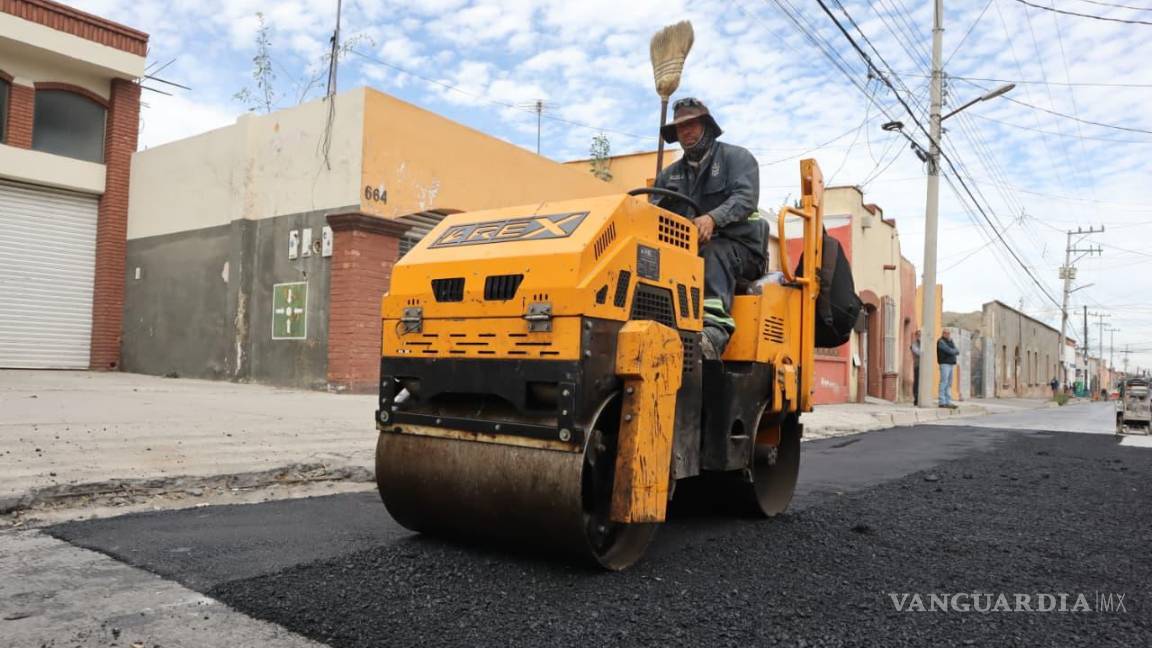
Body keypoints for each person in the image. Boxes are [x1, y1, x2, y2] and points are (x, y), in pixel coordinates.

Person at [651, 97, 761, 359]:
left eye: (692, 125)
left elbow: (745, 199)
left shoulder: (737, 159)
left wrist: (713, 218)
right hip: (689, 252)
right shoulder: (668, 176)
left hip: (741, 250)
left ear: (707, 127)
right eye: (680, 128)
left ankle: (713, 332)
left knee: (713, 251)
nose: (686, 132)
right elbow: (654, 214)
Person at [937, 329, 959, 409]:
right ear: (943, 333)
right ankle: (942, 402)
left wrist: (953, 350)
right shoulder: (941, 342)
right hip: (944, 364)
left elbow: (957, 350)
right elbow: (949, 351)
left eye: (949, 333)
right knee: (944, 382)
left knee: (949, 383)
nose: (949, 335)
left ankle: (948, 401)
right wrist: (954, 351)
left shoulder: (950, 341)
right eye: (947, 333)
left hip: (950, 364)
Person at [910, 330, 922, 406]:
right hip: (917, 365)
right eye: (918, 335)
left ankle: (922, 398)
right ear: (916, 336)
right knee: (917, 382)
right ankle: (916, 398)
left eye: (921, 335)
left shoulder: (924, 344)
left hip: (925, 367)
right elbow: (919, 353)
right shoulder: (914, 344)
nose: (920, 336)